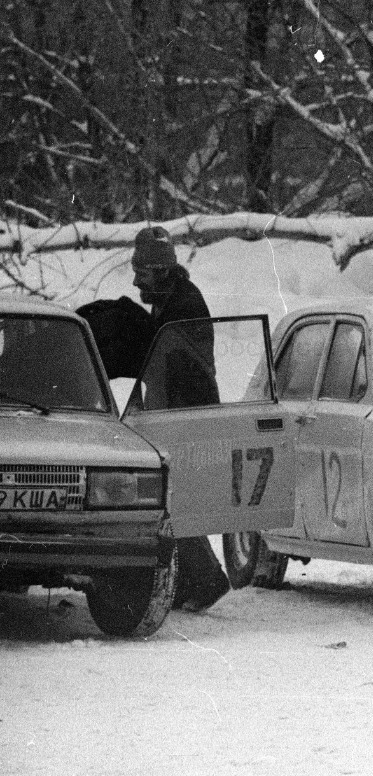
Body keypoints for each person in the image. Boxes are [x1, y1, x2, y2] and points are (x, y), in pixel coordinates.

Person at [130, 225, 230, 612]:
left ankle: (205, 580)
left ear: (161, 271)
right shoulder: (170, 299)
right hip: (175, 409)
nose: (137, 279)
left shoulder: (184, 306)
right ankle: (193, 581)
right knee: (173, 499)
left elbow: (177, 362)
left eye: (142, 272)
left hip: (187, 411)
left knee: (173, 500)